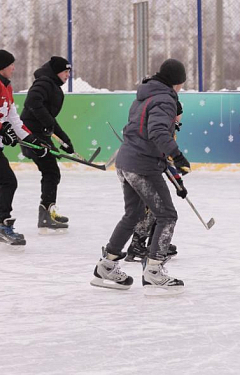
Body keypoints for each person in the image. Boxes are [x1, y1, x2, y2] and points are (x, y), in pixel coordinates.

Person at [90, 58, 191, 293]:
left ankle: (106, 265)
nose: (181, 89)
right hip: (142, 166)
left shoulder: (144, 96)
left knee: (133, 214)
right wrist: (176, 156)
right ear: (176, 82)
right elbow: (156, 131)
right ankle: (154, 270)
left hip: (126, 162)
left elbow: (142, 131)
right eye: (181, 84)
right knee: (166, 215)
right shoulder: (166, 99)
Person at [0, 45, 46, 246]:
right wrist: (1, 130)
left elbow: (13, 119)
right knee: (8, 182)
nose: (14, 68)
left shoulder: (6, 86)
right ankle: (2, 226)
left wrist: (32, 140)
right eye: (11, 64)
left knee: (5, 182)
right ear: (2, 66)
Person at [124, 100, 186, 263]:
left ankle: (153, 243)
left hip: (146, 169)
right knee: (153, 208)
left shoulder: (167, 127)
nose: (180, 118)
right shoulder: (161, 128)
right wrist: (178, 182)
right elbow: (166, 158)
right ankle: (137, 245)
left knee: (155, 207)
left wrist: (178, 183)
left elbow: (167, 160)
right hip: (140, 169)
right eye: (179, 114)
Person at [20, 56, 73, 232]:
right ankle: (45, 215)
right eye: (65, 71)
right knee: (51, 171)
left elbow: (50, 119)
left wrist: (65, 139)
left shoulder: (51, 85)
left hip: (39, 134)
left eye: (69, 72)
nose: (68, 75)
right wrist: (49, 127)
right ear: (56, 72)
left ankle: (47, 211)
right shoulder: (44, 83)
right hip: (32, 136)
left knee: (51, 172)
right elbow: (32, 103)